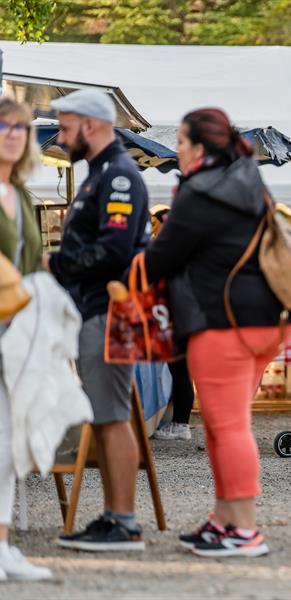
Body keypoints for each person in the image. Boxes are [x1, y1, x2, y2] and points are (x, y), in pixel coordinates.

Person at [143, 108, 291, 557]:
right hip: (266, 319)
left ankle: (244, 530)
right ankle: (225, 519)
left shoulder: (200, 189)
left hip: (224, 320)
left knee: (228, 427)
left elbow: (163, 257)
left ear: (198, 147)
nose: (177, 153)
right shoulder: (247, 180)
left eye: (182, 144)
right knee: (223, 424)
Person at [47, 90, 150, 552]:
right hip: (95, 309)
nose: (61, 137)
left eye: (66, 128)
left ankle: (123, 521)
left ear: (90, 124)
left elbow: (114, 250)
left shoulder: (119, 177)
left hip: (108, 311)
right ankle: (114, 516)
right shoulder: (102, 174)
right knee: (106, 415)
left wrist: (57, 265)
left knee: (110, 418)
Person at [0, 98, 53, 580]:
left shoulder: (24, 195)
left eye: (21, 128)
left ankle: (2, 545)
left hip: (15, 328)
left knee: (6, 438)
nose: (13, 134)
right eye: (4, 126)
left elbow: (31, 267)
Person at [148, 208, 195, 442]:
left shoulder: (173, 251)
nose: (154, 227)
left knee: (180, 370)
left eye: (157, 223)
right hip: (180, 316)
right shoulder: (184, 249)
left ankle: (181, 424)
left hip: (176, 317)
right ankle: (179, 422)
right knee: (180, 371)